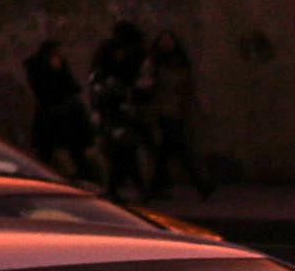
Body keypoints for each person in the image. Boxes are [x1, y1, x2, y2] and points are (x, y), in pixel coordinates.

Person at [144, 30, 212, 203]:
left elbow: (187, 88)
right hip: (162, 111)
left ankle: (154, 187)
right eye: (163, 40)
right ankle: (200, 184)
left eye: (170, 39)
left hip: (177, 111)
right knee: (178, 148)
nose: (167, 43)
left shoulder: (180, 64)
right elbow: (147, 87)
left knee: (166, 151)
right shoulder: (154, 64)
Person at [89, 20, 150, 201]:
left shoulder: (116, 55)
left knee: (125, 149)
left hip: (117, 110)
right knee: (124, 149)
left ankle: (121, 187)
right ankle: (128, 187)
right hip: (118, 110)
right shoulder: (123, 55)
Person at [21, 39, 95, 180]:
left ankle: (84, 176)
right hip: (54, 113)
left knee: (72, 149)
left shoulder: (57, 65)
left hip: (60, 113)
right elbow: (49, 88)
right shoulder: (40, 68)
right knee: (49, 150)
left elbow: (71, 85)